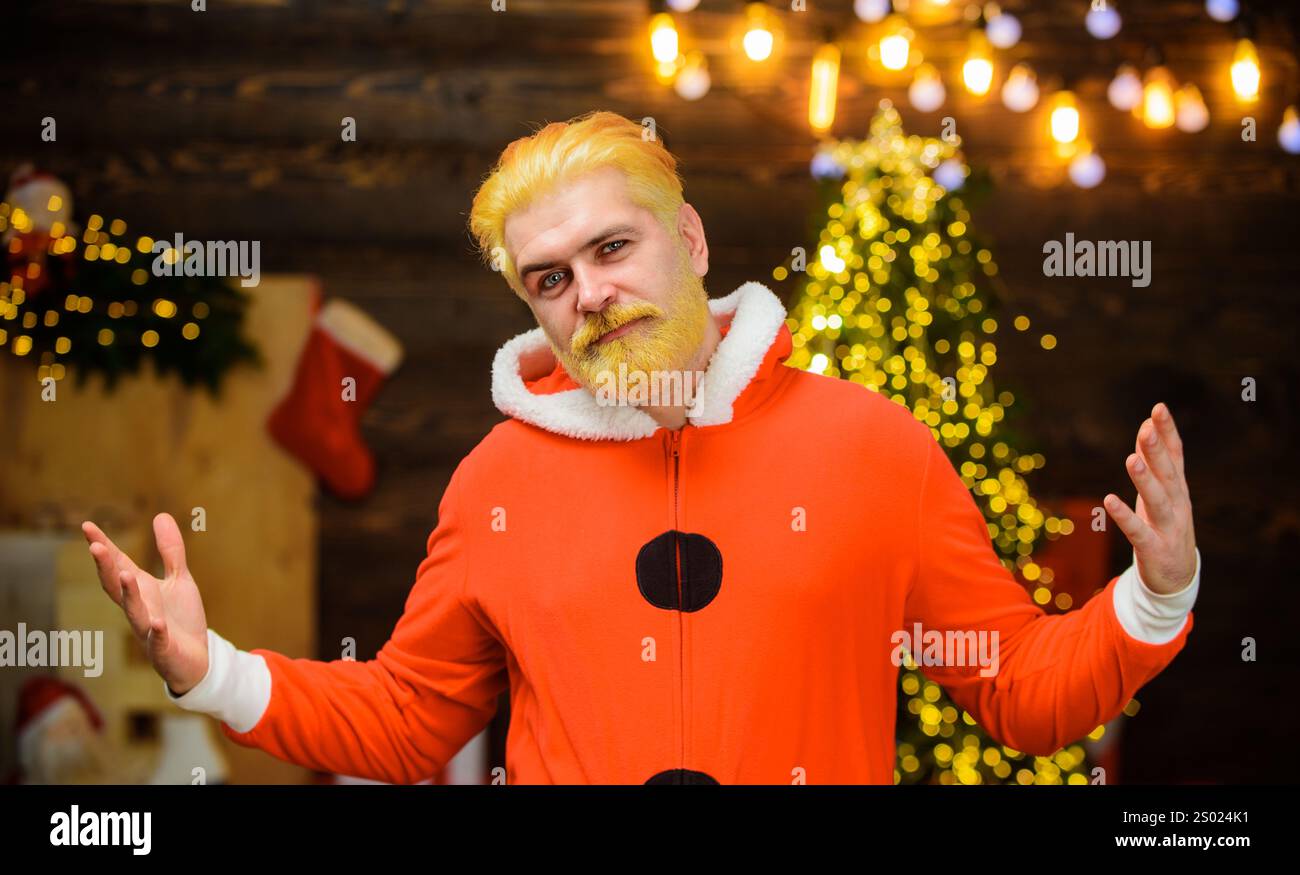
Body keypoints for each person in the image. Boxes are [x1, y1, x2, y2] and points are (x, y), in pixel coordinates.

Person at [81, 110, 1200, 785]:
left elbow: (1016, 685)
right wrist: (211, 669)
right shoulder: (495, 481)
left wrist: (1154, 593)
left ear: (691, 236)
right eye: (549, 278)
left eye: (611, 246)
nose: (590, 294)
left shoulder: (871, 444)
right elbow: (410, 715)